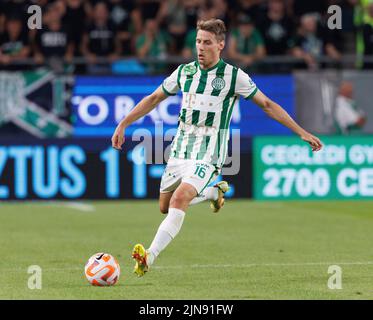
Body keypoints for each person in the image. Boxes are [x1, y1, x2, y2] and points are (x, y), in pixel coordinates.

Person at [111, 18, 323, 277]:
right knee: (165, 207)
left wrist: (300, 132)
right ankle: (213, 194)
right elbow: (155, 98)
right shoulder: (184, 72)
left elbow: (267, 104)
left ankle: (149, 257)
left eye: (207, 43)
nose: (200, 47)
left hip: (210, 153)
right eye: (198, 41)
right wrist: (124, 123)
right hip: (180, 150)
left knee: (180, 198)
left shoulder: (234, 76)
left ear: (221, 45)